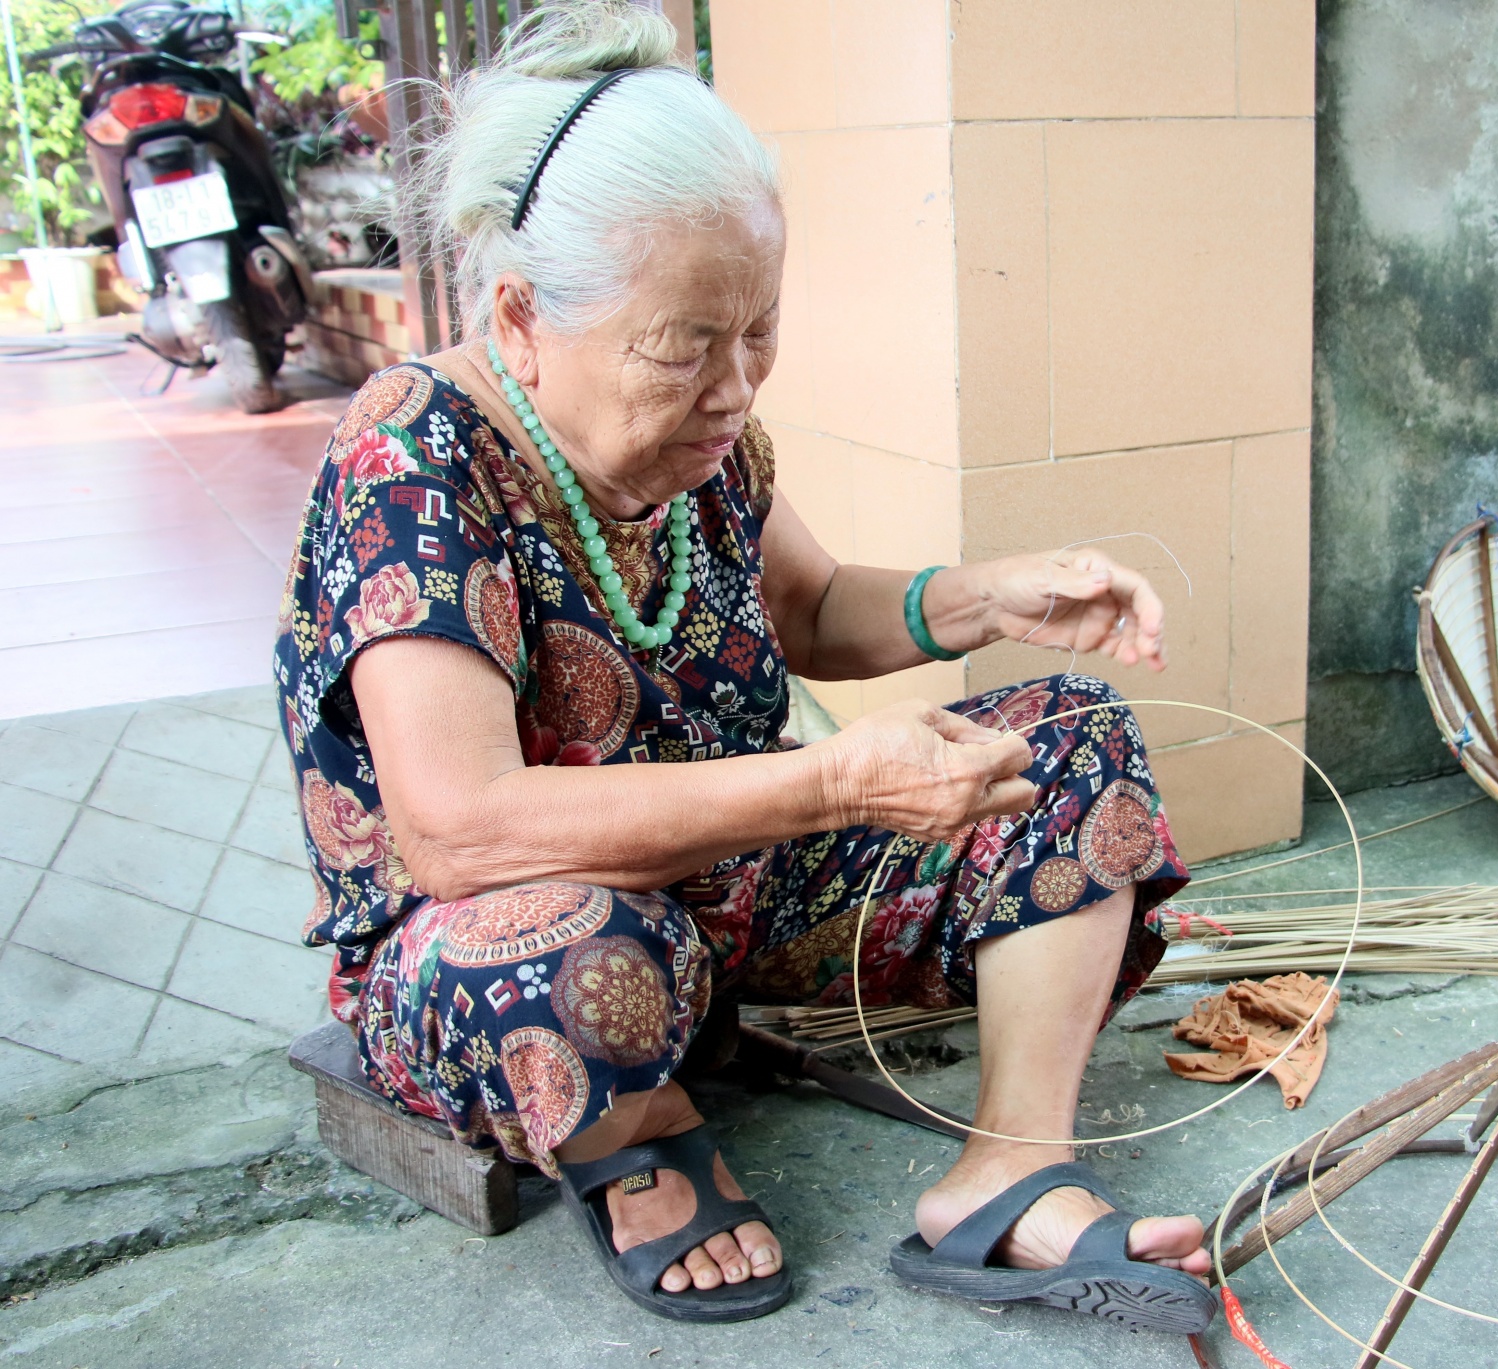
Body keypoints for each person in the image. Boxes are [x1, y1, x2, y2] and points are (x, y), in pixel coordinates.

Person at [275, 0, 1212, 1333]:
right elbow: (458, 828)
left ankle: (1010, 1168)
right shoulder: (413, 459)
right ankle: (639, 1134)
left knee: (1068, 744)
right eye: (683, 345)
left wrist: (986, 596)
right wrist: (831, 782)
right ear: (524, 317)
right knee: (570, 952)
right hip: (503, 928)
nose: (735, 387)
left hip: (729, 889)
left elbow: (813, 606)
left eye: (758, 330)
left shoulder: (707, 442)